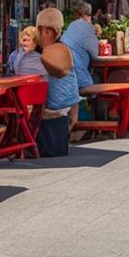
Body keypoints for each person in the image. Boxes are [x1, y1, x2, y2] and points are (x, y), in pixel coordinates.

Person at [34, 8, 80, 157]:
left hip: (54, 107)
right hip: (66, 106)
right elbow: (71, 83)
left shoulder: (49, 53)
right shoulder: (64, 49)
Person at [61, 2, 99, 92]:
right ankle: (95, 103)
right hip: (79, 79)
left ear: (77, 14)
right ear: (88, 15)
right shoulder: (87, 26)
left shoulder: (71, 26)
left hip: (64, 77)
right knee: (97, 76)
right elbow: (95, 55)